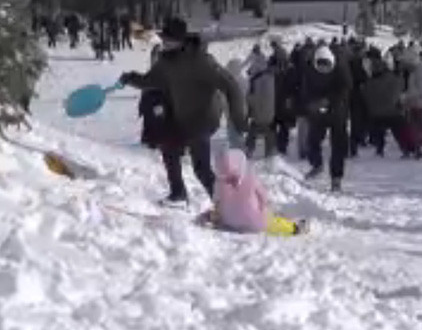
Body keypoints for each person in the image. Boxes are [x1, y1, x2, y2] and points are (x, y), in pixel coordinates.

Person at [120, 18, 247, 205]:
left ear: (181, 40)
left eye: (169, 40)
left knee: (200, 168)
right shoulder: (166, 62)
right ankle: (178, 193)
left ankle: (226, 206)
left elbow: (230, 85)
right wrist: (131, 78)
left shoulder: (201, 60)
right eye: (164, 40)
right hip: (183, 118)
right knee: (169, 148)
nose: (165, 44)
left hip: (204, 118)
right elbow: (151, 80)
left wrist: (238, 118)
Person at [213, 148, 305, 235]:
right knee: (272, 222)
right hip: (253, 221)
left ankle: (285, 220)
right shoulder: (250, 178)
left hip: (230, 221)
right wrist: (264, 207)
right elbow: (263, 197)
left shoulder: (219, 183)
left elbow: (217, 202)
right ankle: (294, 228)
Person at [302, 44, 352, 192]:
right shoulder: (310, 71)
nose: (323, 69)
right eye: (320, 65)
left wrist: (330, 100)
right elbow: (305, 91)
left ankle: (336, 178)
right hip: (318, 110)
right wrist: (312, 104)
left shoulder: (341, 68)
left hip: (337, 111)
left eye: (326, 65)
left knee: (338, 145)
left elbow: (347, 87)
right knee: (313, 140)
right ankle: (317, 164)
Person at [363, 52, 408, 157]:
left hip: (376, 112)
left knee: (379, 131)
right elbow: (400, 88)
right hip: (392, 111)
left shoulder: (370, 82)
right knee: (398, 132)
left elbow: (366, 94)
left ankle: (380, 148)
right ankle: (405, 149)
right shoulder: (393, 79)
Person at [402, 46, 422, 158]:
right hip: (415, 103)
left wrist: (406, 97)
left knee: (419, 127)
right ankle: (419, 148)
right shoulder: (414, 70)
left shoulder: (421, 69)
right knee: (415, 127)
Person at [245, 56, 277, 159]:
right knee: (269, 132)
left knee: (253, 130)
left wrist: (249, 103)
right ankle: (270, 152)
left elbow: (254, 98)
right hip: (270, 113)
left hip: (260, 113)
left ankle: (249, 149)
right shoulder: (272, 78)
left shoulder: (256, 81)